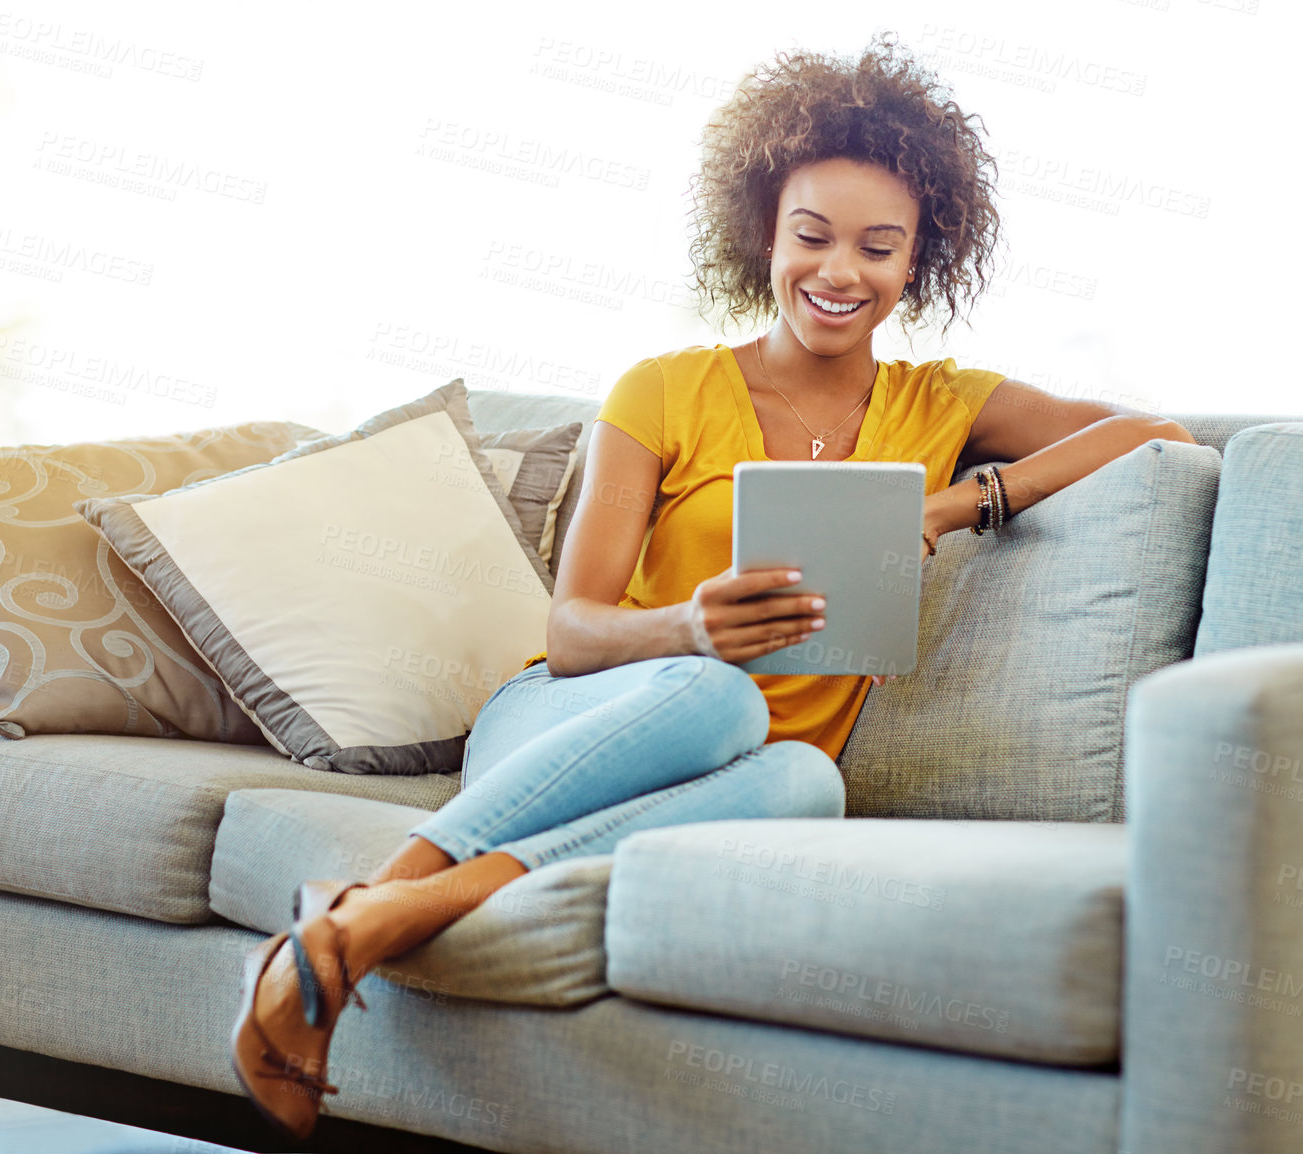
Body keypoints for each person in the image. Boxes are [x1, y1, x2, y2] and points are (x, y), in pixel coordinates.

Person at [230, 30, 1196, 1138]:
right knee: (719, 692)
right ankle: (366, 905)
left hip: (746, 770)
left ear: (916, 264)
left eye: (879, 248)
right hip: (577, 718)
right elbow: (576, 625)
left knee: (809, 783)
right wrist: (688, 625)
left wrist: (950, 505)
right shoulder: (663, 390)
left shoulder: (943, 403)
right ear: (764, 235)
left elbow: (1152, 431)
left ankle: (355, 924)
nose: (840, 273)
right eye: (812, 237)